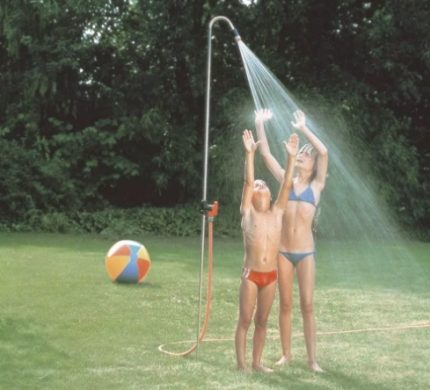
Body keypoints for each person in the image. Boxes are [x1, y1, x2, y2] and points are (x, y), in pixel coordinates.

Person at [255, 108, 328, 373]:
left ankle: (312, 361)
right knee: (285, 304)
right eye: (302, 153)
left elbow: (324, 153)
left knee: (307, 305)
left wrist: (304, 128)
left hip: (306, 253)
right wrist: (259, 124)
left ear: (313, 165)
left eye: (306, 155)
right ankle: (286, 354)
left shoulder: (317, 186)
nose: (303, 156)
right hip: (283, 252)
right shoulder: (286, 180)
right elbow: (265, 155)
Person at [235, 125, 298, 373]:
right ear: (250, 197)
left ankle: (257, 362)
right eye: (257, 187)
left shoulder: (277, 212)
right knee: (245, 320)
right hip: (251, 275)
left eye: (264, 184)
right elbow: (249, 180)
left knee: (262, 322)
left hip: (270, 276)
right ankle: (242, 365)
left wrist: (291, 158)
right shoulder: (247, 212)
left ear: (271, 196)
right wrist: (250, 154)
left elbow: (286, 186)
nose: (260, 186)